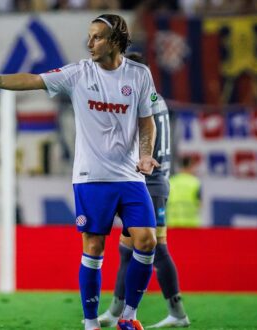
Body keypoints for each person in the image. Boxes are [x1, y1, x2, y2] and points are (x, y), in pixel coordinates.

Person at [0, 14, 159, 330]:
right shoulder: (78, 73)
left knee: (147, 242)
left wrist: (146, 154)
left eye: (97, 38)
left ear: (116, 40)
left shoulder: (140, 75)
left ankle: (129, 317)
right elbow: (32, 79)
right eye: (89, 37)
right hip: (91, 178)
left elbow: (147, 120)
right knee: (94, 248)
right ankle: (91, 323)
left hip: (130, 176)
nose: (89, 43)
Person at [97, 52, 190, 328]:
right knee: (127, 249)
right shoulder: (154, 98)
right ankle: (116, 311)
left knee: (157, 247)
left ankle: (177, 313)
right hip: (146, 181)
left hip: (151, 181)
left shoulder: (142, 100)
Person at [167, 156, 201, 227]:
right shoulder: (195, 182)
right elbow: (200, 203)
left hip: (173, 222)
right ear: (190, 166)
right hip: (190, 222)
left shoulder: (171, 181)